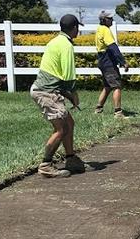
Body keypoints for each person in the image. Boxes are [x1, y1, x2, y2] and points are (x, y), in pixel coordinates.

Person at [30, 14, 85, 178]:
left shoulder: (55, 41)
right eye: (78, 28)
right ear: (74, 28)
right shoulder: (66, 45)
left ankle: (70, 159)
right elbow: (68, 77)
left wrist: (67, 95)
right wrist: (73, 95)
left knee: (69, 122)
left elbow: (56, 75)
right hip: (46, 92)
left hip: (47, 89)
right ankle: (46, 164)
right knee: (62, 128)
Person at [94, 10, 129, 118]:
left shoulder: (99, 29)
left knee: (107, 86)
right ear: (104, 20)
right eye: (110, 18)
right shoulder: (105, 30)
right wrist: (123, 62)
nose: (112, 20)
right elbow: (113, 47)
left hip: (102, 60)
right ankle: (118, 112)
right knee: (116, 86)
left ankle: (98, 109)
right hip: (108, 62)